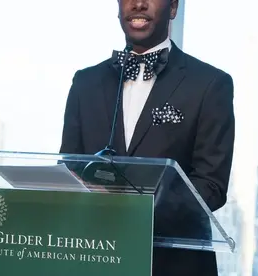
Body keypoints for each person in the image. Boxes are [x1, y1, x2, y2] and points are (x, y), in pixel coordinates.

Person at [59, 0, 235, 275]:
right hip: (95, 258)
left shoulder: (210, 84)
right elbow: (69, 165)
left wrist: (137, 209)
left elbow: (211, 185)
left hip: (174, 264)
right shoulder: (85, 82)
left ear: (173, 8)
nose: (138, 4)